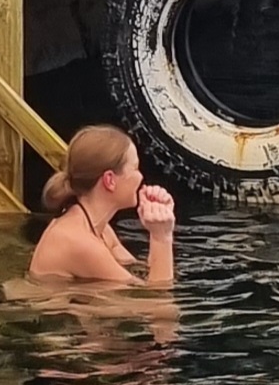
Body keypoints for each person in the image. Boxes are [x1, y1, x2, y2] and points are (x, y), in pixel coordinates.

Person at [26, 123, 177, 290]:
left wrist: (159, 218)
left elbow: (142, 274)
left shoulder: (99, 228)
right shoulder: (79, 242)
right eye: (135, 168)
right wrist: (161, 237)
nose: (141, 176)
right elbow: (159, 306)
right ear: (109, 180)